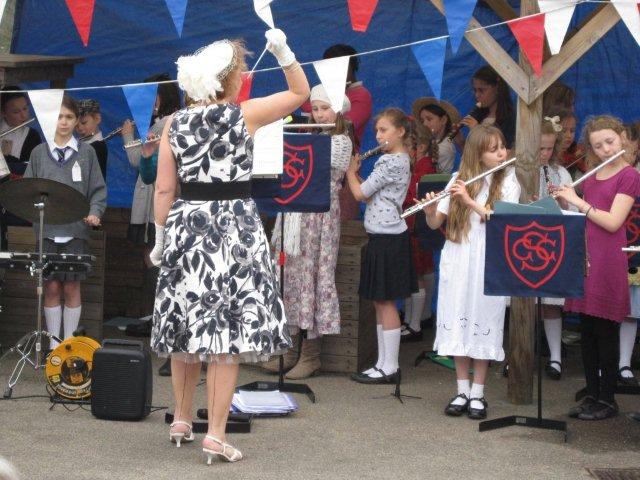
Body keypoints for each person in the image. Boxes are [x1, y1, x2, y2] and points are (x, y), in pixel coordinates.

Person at [150, 29, 308, 463]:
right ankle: (215, 434)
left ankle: (182, 417)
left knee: (187, 322)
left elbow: (164, 189)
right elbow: (300, 93)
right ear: (228, 79)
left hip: (187, 224)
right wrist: (284, 52)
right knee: (225, 334)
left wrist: (162, 236)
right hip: (234, 226)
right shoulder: (245, 114)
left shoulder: (173, 124)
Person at [422, 125, 521, 420]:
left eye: (502, 146)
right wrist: (429, 210)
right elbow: (436, 222)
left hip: (486, 260)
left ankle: (479, 393)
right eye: (494, 149)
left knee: (483, 320)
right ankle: (461, 390)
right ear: (477, 153)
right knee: (458, 320)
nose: (502, 153)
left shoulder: (509, 182)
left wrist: (468, 200)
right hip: (459, 258)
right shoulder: (458, 178)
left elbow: (499, 218)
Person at [263, 85, 353, 379]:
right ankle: (290, 348)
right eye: (315, 109)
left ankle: (311, 354)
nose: (319, 114)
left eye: (325, 108)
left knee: (314, 276)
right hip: (297, 214)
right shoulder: (310, 138)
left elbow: (325, 167)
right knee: (293, 276)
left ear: (337, 110)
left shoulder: (340, 141)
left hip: (320, 215)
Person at [555, 115, 640, 420]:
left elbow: (613, 221)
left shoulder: (629, 175)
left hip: (608, 259)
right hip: (586, 257)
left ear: (622, 139)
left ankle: (608, 399)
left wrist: (577, 202)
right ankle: (592, 394)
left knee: (605, 330)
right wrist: (564, 202)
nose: (605, 149)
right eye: (598, 145)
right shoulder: (591, 175)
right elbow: (583, 217)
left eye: (610, 142)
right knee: (588, 330)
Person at [23, 95, 107, 350]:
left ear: (76, 121)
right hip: (47, 231)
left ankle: (69, 345)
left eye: (69, 117)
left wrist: (95, 212)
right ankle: (53, 345)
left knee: (71, 286)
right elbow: (26, 189)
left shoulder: (87, 152)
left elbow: (98, 190)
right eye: (59, 116)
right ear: (51, 120)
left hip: (76, 231)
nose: (64, 122)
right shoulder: (39, 152)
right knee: (50, 287)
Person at [346, 107, 417, 384]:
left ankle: (391, 366)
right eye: (377, 130)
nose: (379, 135)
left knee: (386, 302)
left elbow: (359, 193)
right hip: (381, 235)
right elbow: (371, 196)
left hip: (388, 237)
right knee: (379, 301)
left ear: (400, 132)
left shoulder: (392, 162)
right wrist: (360, 178)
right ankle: (382, 362)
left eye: (384, 130)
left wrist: (352, 171)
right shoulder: (392, 160)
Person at [122, 73, 181, 377]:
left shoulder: (165, 125)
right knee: (153, 266)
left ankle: (169, 336)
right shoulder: (157, 123)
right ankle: (158, 328)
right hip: (151, 206)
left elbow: (139, 162)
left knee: (161, 270)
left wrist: (128, 135)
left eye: (151, 97)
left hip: (161, 209)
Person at [536, 115, 577, 380]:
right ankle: (519, 356)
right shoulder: (515, 170)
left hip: (551, 241)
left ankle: (555, 358)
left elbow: (572, 208)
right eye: (540, 148)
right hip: (526, 240)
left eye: (550, 148)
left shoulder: (560, 172)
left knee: (550, 302)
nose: (546, 153)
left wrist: (561, 202)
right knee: (523, 304)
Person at [401, 127, 437, 342]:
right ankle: (411, 319)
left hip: (415, 227)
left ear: (420, 147)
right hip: (414, 227)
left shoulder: (423, 170)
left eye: (408, 146)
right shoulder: (422, 166)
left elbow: (412, 196)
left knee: (416, 275)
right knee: (414, 273)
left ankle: (415, 324)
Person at [0, 86, 42, 248]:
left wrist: (9, 161)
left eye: (25, 109)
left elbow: (29, 167)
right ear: (3, 113)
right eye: (16, 112)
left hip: (16, 193)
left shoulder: (32, 135)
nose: (24, 115)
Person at [620, 122, 640, 387]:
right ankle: (612, 361)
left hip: (636, 249)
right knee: (618, 308)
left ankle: (624, 361)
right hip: (618, 248)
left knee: (633, 309)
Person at [460, 66, 516, 150]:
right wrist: (459, 140)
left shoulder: (510, 117)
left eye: (482, 90)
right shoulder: (478, 115)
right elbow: (473, 155)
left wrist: (477, 131)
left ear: (497, 89)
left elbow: (504, 152)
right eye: (475, 90)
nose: (477, 95)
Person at [412, 97, 460, 174]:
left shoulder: (445, 147)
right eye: (422, 121)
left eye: (429, 119)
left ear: (443, 120)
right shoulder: (432, 143)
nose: (424, 124)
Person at [76, 99, 108, 181]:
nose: (80, 128)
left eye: (84, 123)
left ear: (97, 119)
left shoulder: (98, 146)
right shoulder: (79, 143)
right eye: (76, 124)